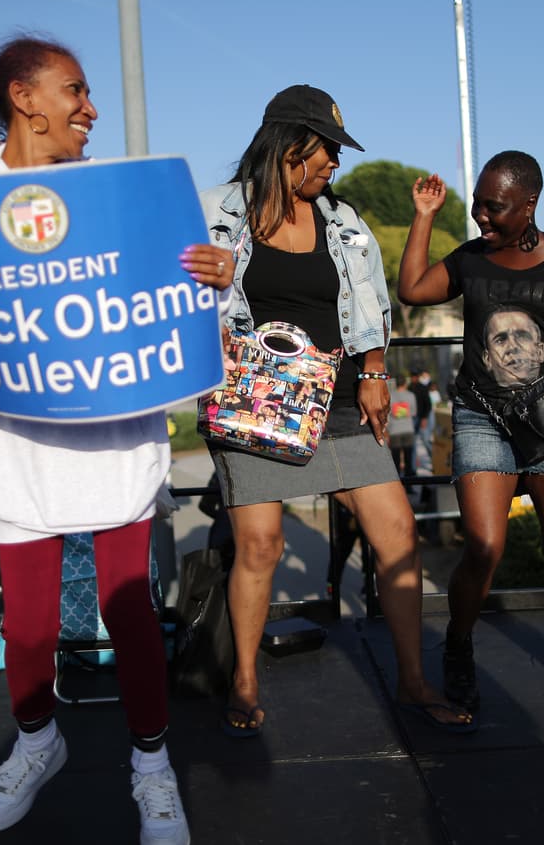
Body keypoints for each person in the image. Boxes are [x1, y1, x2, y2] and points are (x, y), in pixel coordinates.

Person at [0, 35, 231, 841]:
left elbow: (171, 330)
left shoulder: (121, 201)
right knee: (26, 628)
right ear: (24, 99)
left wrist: (212, 286)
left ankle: (152, 765)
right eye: (75, 89)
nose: (90, 107)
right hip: (16, 461)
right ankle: (36, 742)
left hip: (114, 455)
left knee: (131, 616)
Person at [200, 84, 473, 738]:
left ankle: (413, 681)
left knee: (398, 531)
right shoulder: (216, 212)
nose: (335, 162)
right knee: (261, 545)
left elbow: (372, 301)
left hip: (342, 399)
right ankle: (244, 679)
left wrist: (375, 371)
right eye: (326, 148)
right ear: (289, 145)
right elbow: (179, 298)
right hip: (256, 400)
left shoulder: (343, 220)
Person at [398, 151, 544, 707]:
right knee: (483, 547)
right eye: (478, 204)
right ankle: (458, 645)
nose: (482, 216)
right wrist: (425, 216)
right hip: (483, 417)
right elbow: (413, 290)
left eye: (494, 207)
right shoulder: (471, 258)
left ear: (529, 205)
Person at [388, 375, 417, 479]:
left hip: (394, 430)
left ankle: (397, 482)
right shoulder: (411, 395)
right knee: (408, 458)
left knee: (395, 459)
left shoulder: (390, 396)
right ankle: (409, 483)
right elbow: (414, 412)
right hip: (408, 429)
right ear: (405, 383)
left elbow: (387, 413)